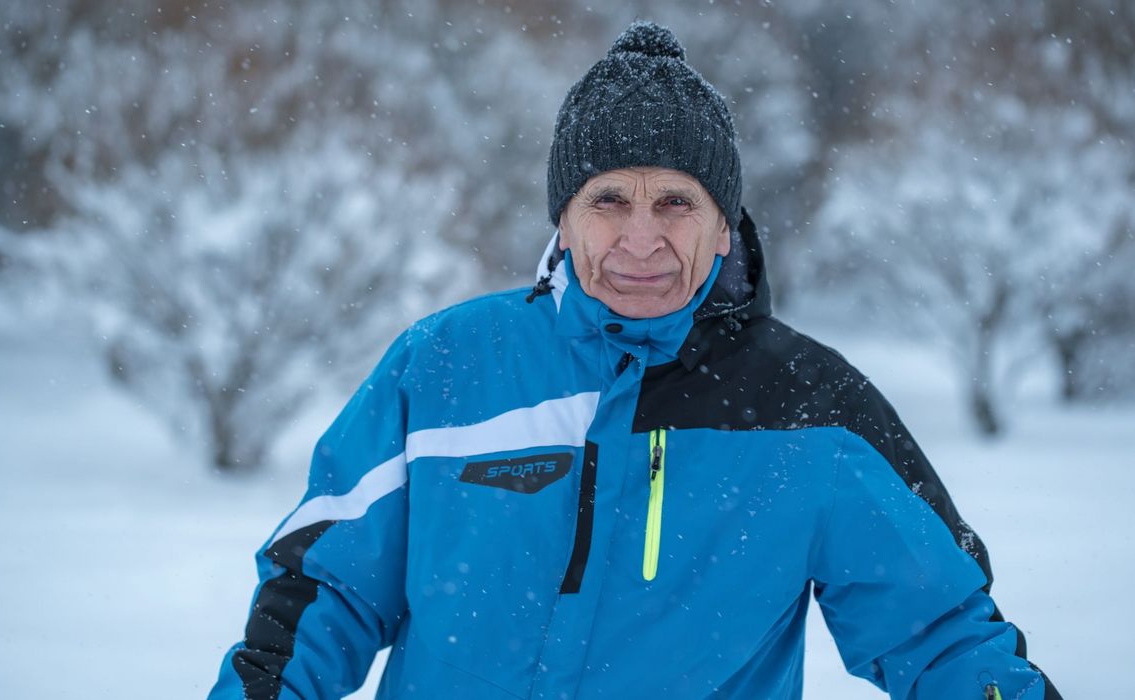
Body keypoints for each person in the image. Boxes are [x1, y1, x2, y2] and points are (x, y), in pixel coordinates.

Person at [211, 21, 1060, 700]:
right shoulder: (443, 369)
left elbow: (939, 636)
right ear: (564, 218)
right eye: (608, 199)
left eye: (677, 203)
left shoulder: (810, 408)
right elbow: (321, 595)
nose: (641, 239)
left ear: (724, 224)